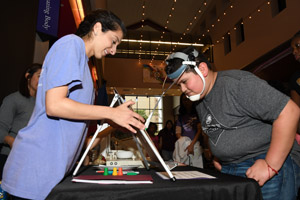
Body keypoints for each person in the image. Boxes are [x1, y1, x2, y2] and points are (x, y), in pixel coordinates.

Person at [1, 9, 145, 200]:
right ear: (97, 28)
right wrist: (110, 112)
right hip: (35, 168)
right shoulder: (72, 44)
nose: (113, 50)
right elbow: (55, 105)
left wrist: (113, 122)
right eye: (113, 41)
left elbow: (74, 130)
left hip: (50, 171)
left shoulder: (84, 64)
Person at [164, 46, 300, 200]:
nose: (183, 89)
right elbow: (216, 128)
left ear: (202, 69)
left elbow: (289, 112)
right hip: (231, 167)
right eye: (179, 85)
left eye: (184, 81)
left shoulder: (237, 84)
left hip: (263, 162)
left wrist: (270, 165)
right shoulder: (200, 98)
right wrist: (218, 155)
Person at [0, 63, 42, 180]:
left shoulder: (42, 104)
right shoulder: (13, 99)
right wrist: (12, 141)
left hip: (31, 159)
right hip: (10, 158)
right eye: (39, 76)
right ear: (28, 76)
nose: (42, 80)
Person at [173, 93, 203, 168]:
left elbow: (199, 130)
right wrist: (184, 143)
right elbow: (178, 133)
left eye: (188, 99)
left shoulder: (197, 114)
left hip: (195, 144)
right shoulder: (180, 117)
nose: (186, 102)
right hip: (184, 145)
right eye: (184, 100)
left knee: (197, 168)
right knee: (183, 167)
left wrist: (191, 145)